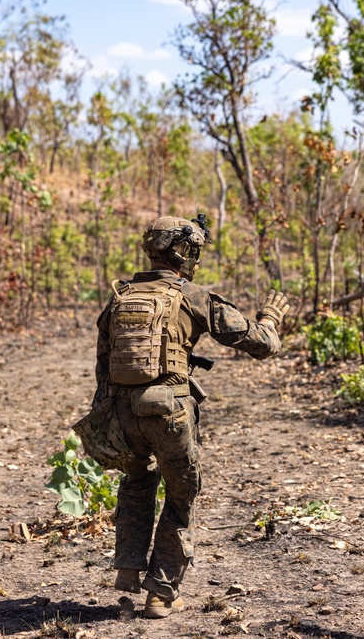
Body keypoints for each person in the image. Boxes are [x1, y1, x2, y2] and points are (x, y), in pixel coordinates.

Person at [83, 215, 288, 619]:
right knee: (181, 493)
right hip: (169, 412)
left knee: (137, 479)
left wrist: (105, 422)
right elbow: (262, 344)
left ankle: (128, 565)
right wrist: (271, 317)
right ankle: (161, 592)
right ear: (185, 253)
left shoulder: (120, 296)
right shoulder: (193, 296)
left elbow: (103, 365)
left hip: (122, 412)